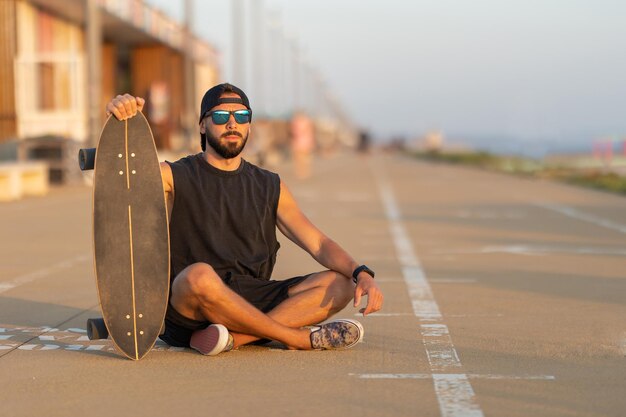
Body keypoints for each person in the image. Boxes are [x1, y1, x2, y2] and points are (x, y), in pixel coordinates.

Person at [105, 83, 384, 355]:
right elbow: (122, 177)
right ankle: (294, 337)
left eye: (241, 116)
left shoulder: (269, 184)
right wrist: (122, 122)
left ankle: (234, 339)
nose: (231, 123)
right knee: (199, 275)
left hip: (251, 296)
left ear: (248, 125)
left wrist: (361, 273)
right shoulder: (174, 175)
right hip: (191, 305)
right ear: (203, 125)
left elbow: (319, 244)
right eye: (220, 116)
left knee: (340, 284)